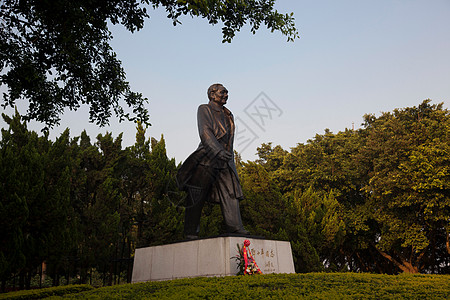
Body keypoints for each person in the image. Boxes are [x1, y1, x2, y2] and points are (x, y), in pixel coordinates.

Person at [177, 83, 249, 239]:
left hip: (225, 160)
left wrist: (227, 154)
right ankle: (190, 231)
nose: (226, 95)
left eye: (227, 92)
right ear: (212, 94)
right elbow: (205, 132)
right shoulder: (204, 109)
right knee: (196, 195)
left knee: (230, 192)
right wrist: (217, 150)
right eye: (222, 92)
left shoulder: (229, 114)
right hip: (207, 158)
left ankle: (235, 226)